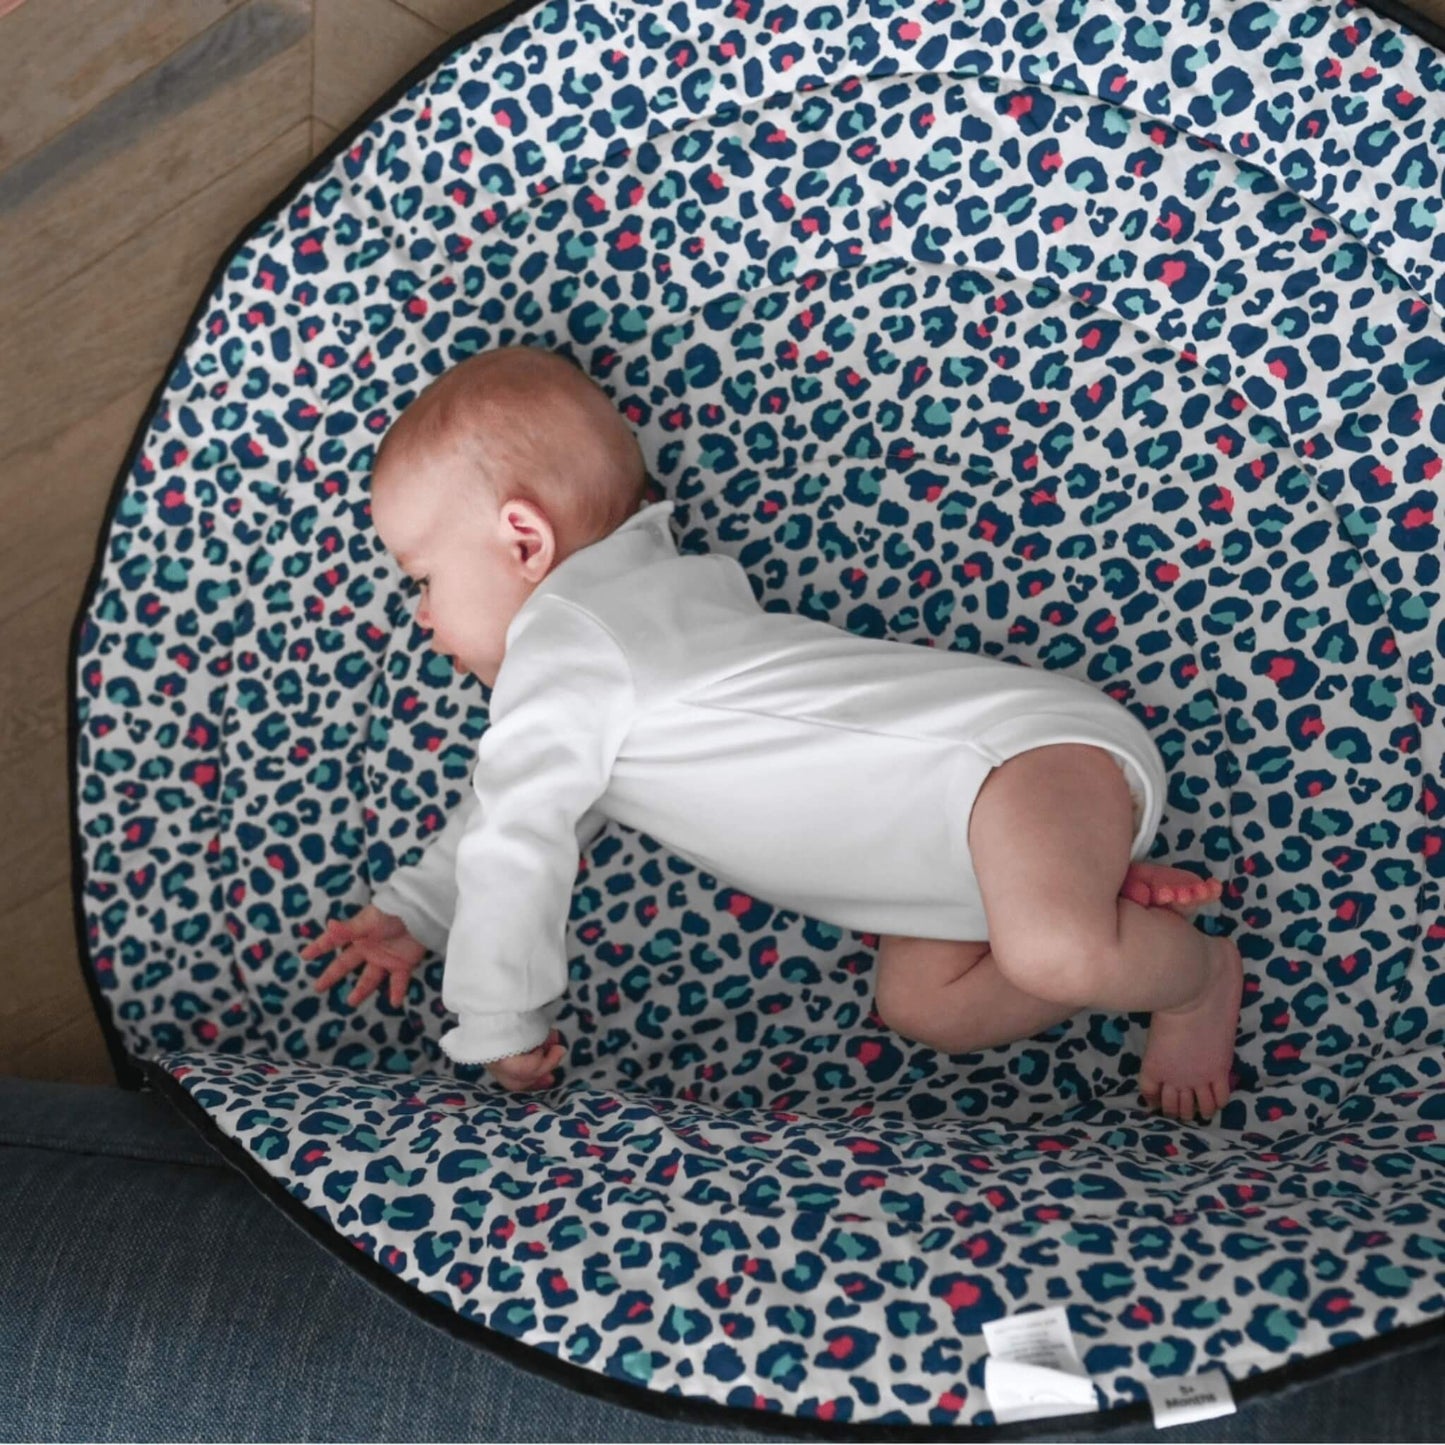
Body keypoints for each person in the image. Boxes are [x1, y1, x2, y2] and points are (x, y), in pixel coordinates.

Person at [300, 344, 1239, 1120]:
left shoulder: (571, 634)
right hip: (963, 859)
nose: (422, 622)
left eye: (422, 578)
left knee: (1045, 955)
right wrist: (422, 906)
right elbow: (523, 801)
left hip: (1003, 764)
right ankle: (1090, 899)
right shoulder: (624, 625)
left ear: (522, 540)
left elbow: (519, 835)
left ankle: (1191, 979)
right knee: (920, 1007)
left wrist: (499, 1015)